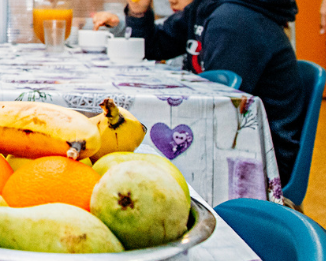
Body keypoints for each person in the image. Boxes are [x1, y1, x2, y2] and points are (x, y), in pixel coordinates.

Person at [93, 0, 303, 184]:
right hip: (228, 140)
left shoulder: (234, 20)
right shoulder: (205, 8)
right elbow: (153, 47)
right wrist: (138, 11)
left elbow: (220, 113)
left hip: (262, 161)